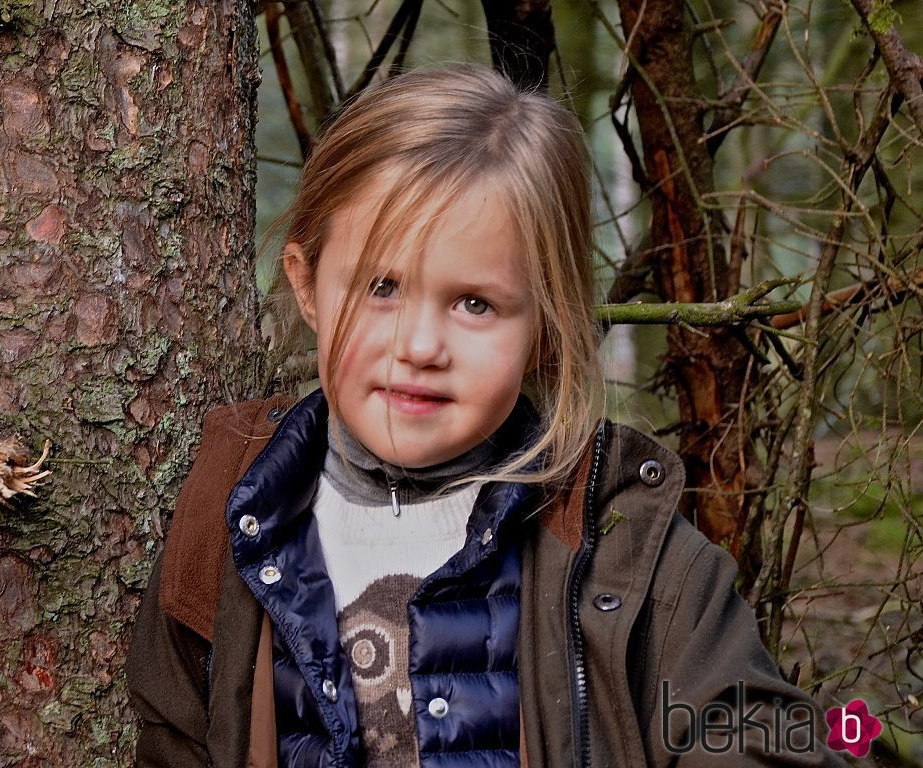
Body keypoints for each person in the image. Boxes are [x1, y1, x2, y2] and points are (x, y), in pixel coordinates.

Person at [126, 65, 844, 767]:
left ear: (546, 326)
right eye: (382, 287)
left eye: (475, 303)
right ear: (306, 284)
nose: (419, 346)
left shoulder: (628, 550)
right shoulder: (231, 520)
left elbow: (760, 736)